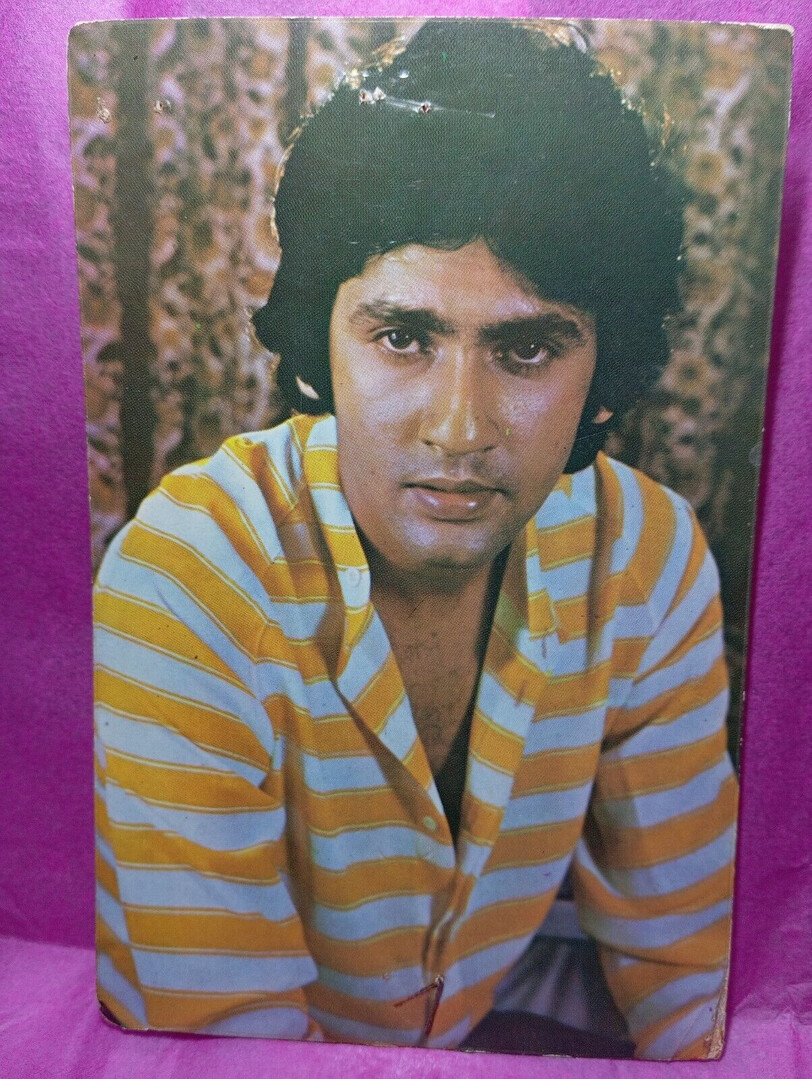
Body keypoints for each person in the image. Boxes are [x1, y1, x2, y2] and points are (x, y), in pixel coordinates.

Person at [93, 20, 737, 1060]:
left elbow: (692, 965)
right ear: (322, 338)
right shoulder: (189, 575)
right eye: (402, 337)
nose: (457, 429)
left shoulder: (645, 555)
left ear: (604, 371)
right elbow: (228, 1048)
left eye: (526, 349)